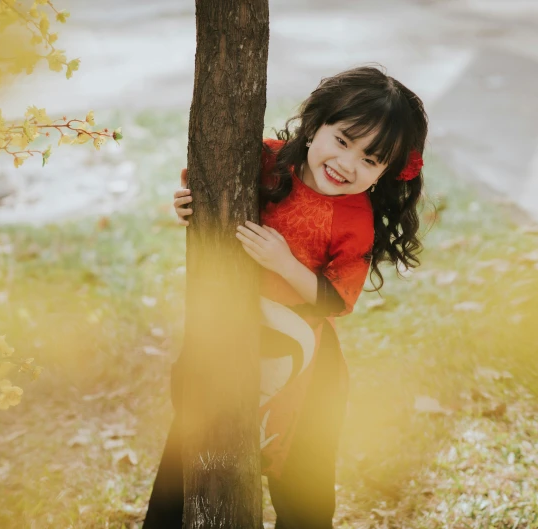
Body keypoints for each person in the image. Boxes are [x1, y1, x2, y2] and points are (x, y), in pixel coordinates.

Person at [143, 66, 429, 529]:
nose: (348, 164)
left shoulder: (355, 220)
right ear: (315, 126)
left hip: (308, 363)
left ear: (384, 174)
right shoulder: (265, 161)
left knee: (303, 490)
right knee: (188, 456)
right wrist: (188, 203)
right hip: (230, 339)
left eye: (370, 160)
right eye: (343, 140)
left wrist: (285, 264)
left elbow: (337, 298)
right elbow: (211, 185)